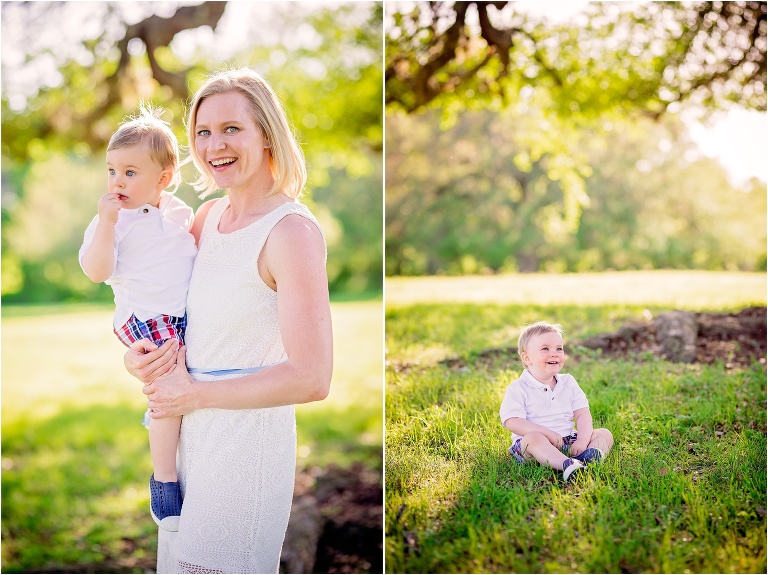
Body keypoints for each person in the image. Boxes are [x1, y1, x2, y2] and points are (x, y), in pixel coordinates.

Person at [122, 67, 333, 574]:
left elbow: (312, 377)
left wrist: (195, 395)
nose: (215, 144)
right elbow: (172, 317)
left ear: (266, 134)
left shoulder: (291, 233)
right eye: (203, 132)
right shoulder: (203, 220)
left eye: (231, 129)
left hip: (246, 450)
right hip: (186, 447)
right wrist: (139, 358)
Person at [79, 104, 197, 531]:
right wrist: (108, 224)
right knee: (167, 389)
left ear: (163, 179)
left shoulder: (180, 213)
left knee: (189, 380)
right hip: (146, 318)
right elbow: (96, 271)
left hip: (181, 316)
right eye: (112, 170)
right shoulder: (112, 220)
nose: (117, 181)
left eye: (130, 172)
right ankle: (164, 480)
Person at [499, 321, 613, 483]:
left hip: (567, 439)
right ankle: (567, 464)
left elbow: (582, 414)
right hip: (533, 446)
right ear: (527, 358)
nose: (554, 353)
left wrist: (581, 440)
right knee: (533, 438)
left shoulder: (568, 382)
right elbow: (512, 421)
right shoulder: (518, 388)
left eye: (559, 348)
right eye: (545, 349)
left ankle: (588, 456)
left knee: (604, 433)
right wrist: (546, 433)